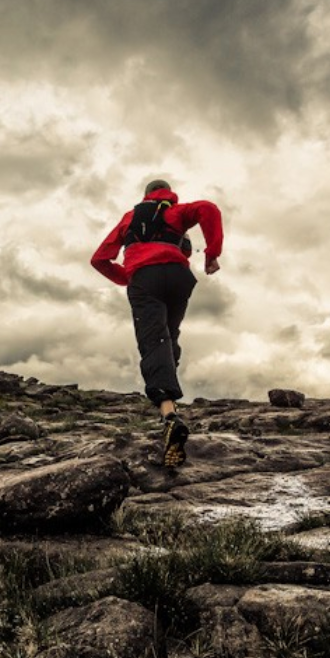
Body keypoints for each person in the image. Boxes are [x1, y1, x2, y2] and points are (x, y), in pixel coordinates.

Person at [91, 179, 223, 467]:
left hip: (144, 278)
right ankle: (169, 404)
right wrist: (212, 253)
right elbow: (208, 209)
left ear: (145, 196)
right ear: (168, 195)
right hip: (179, 277)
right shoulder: (175, 213)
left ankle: (169, 415)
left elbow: (99, 259)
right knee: (169, 337)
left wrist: (129, 276)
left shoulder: (130, 218)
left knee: (154, 341)